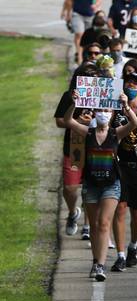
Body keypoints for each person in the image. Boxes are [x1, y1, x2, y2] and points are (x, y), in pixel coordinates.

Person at [64, 89, 137, 281]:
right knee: (96, 225)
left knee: (105, 223)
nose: (103, 113)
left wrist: (125, 106)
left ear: (112, 113)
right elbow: (68, 121)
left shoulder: (116, 134)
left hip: (111, 184)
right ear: (95, 112)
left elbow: (134, 123)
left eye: (107, 110)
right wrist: (74, 104)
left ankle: (100, 266)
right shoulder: (87, 132)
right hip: (91, 184)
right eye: (100, 110)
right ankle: (95, 260)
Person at [111, 73, 137, 272]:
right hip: (120, 166)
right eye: (128, 83)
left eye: (136, 83)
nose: (132, 85)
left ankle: (133, 245)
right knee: (120, 208)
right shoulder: (116, 108)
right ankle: (120, 255)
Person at [55, 62, 98, 238]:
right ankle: (72, 212)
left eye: (94, 78)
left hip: (97, 148)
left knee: (92, 189)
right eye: (86, 77)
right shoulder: (68, 96)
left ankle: (89, 227)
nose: (90, 81)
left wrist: (92, 122)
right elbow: (59, 121)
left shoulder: (102, 98)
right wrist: (76, 122)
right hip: (74, 148)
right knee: (70, 188)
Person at [61, 0, 103, 64]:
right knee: (79, 33)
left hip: (89, 15)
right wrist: (67, 13)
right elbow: (69, 0)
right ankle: (79, 55)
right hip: (77, 14)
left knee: (88, 36)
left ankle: (86, 55)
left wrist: (96, 5)